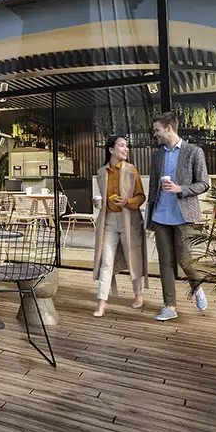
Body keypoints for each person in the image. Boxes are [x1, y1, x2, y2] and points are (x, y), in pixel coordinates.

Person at [145, 111, 211, 321]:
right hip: (161, 216)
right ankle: (169, 306)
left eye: (157, 130)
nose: (155, 134)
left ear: (168, 128)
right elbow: (154, 186)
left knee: (185, 260)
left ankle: (197, 287)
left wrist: (179, 188)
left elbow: (203, 183)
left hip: (183, 216)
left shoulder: (193, 152)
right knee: (165, 262)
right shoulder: (157, 155)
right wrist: (150, 219)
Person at [91, 135, 147, 317]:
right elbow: (101, 197)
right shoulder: (101, 173)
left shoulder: (132, 170)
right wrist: (97, 201)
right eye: (122, 145)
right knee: (106, 261)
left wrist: (128, 201)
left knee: (133, 258)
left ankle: (138, 295)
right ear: (110, 150)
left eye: (126, 146)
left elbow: (141, 197)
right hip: (108, 222)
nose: (126, 149)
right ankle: (102, 303)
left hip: (128, 220)